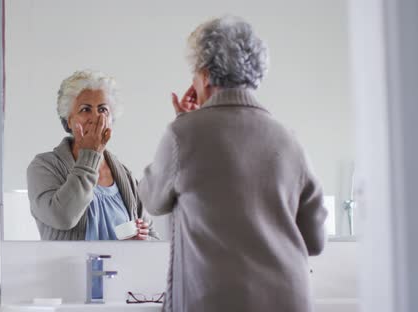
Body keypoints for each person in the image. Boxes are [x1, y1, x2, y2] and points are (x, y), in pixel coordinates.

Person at [139, 16, 327, 311]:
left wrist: (183, 121)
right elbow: (315, 241)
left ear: (204, 74)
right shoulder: (289, 141)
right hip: (289, 300)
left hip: (215, 301)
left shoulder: (184, 133)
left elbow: (152, 200)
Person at [27, 70, 159, 241]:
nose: (95, 117)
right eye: (85, 109)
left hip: (117, 268)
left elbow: (155, 239)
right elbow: (63, 217)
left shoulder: (124, 176)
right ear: (69, 120)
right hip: (66, 267)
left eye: (103, 109)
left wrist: (142, 240)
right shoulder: (44, 166)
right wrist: (90, 155)